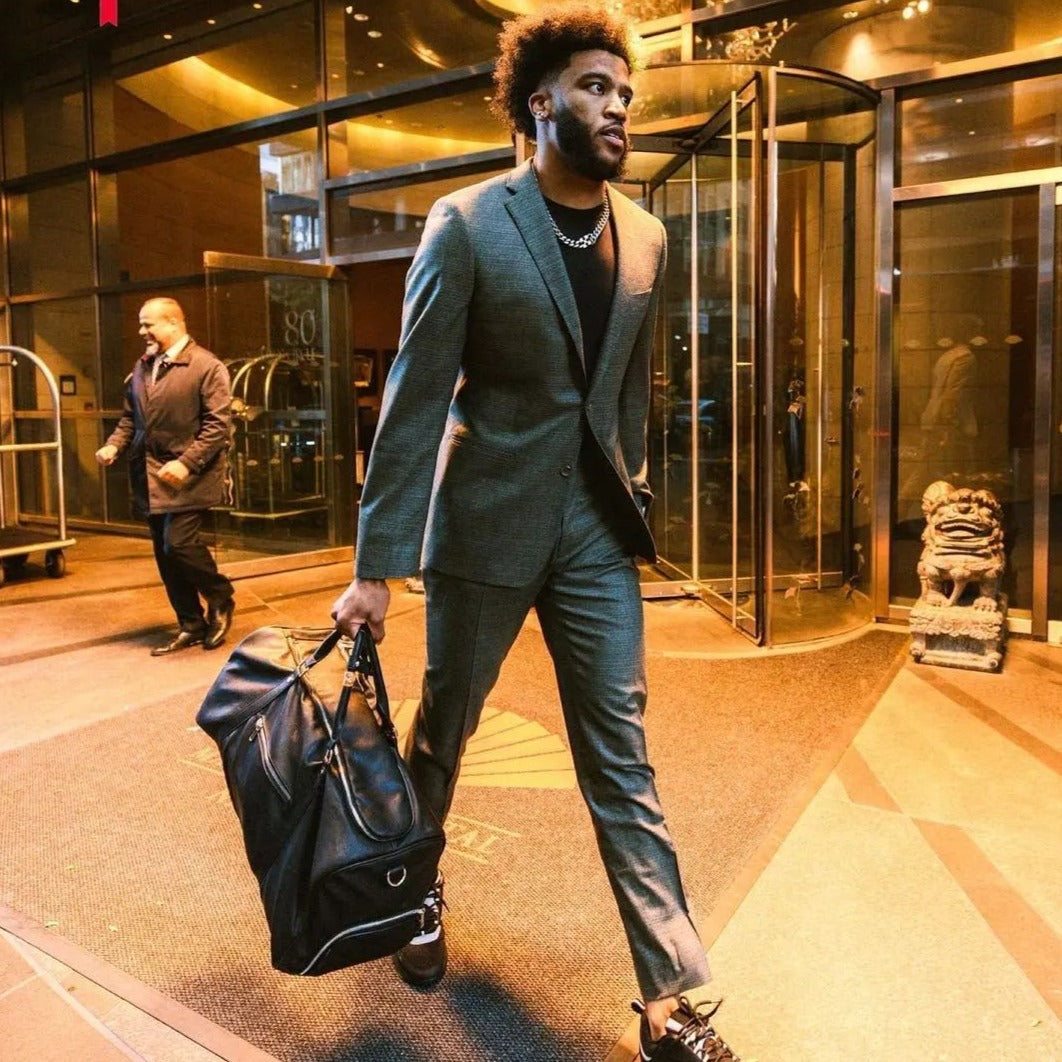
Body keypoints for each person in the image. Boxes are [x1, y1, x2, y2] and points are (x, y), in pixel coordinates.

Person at [331, 7, 739, 1060]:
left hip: (595, 531)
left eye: (625, 94)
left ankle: (669, 998)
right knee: (443, 733)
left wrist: (632, 492)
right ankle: (415, 896)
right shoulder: (469, 223)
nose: (618, 108)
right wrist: (377, 565)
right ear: (541, 101)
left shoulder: (645, 236)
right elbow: (414, 401)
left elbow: (629, 391)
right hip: (483, 525)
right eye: (597, 88)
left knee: (623, 758)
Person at [95, 297, 236, 656]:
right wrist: (113, 445)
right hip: (149, 475)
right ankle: (190, 624)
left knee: (179, 544)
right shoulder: (144, 366)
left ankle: (220, 595)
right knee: (164, 554)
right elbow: (131, 418)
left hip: (189, 475)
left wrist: (187, 463)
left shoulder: (207, 366)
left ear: (173, 322)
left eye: (148, 324)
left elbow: (218, 426)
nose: (141, 331)